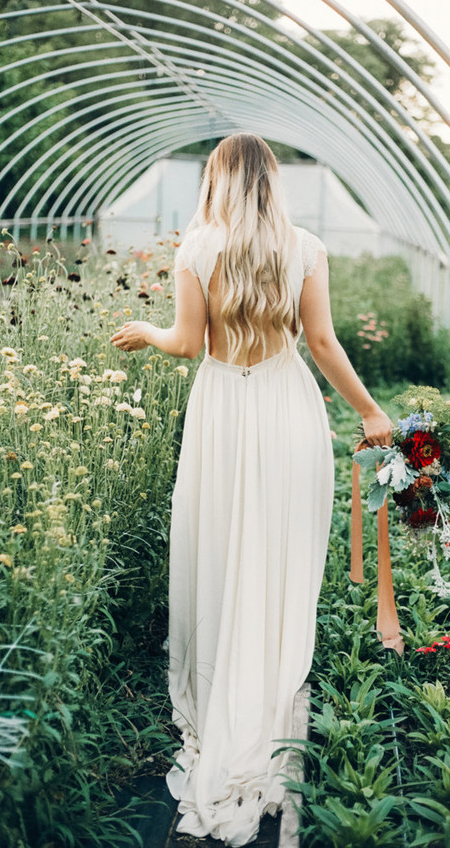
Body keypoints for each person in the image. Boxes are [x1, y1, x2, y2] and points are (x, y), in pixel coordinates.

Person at [110, 133, 392, 846]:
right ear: (272, 181)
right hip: (286, 408)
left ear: (220, 181)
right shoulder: (306, 247)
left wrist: (145, 329)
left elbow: (185, 341)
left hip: (223, 416)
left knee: (222, 541)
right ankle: (267, 675)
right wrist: (368, 410)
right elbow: (322, 343)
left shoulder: (197, 248)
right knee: (278, 544)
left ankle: (223, 680)